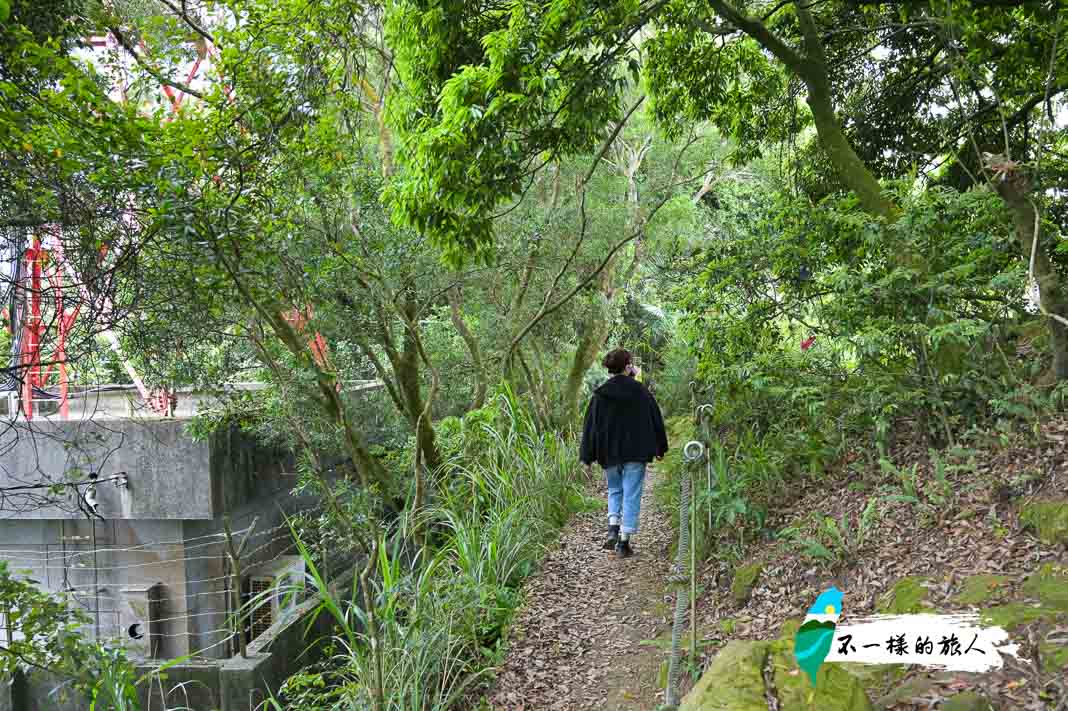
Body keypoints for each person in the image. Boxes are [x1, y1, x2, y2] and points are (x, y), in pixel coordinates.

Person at [579, 348, 668, 558]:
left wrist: (587, 455)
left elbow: (590, 427)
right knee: (632, 493)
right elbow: (656, 419)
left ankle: (612, 527)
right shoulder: (641, 391)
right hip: (635, 452)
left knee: (615, 490)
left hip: (609, 452)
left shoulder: (600, 394)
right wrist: (660, 447)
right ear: (628, 366)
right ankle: (624, 542)